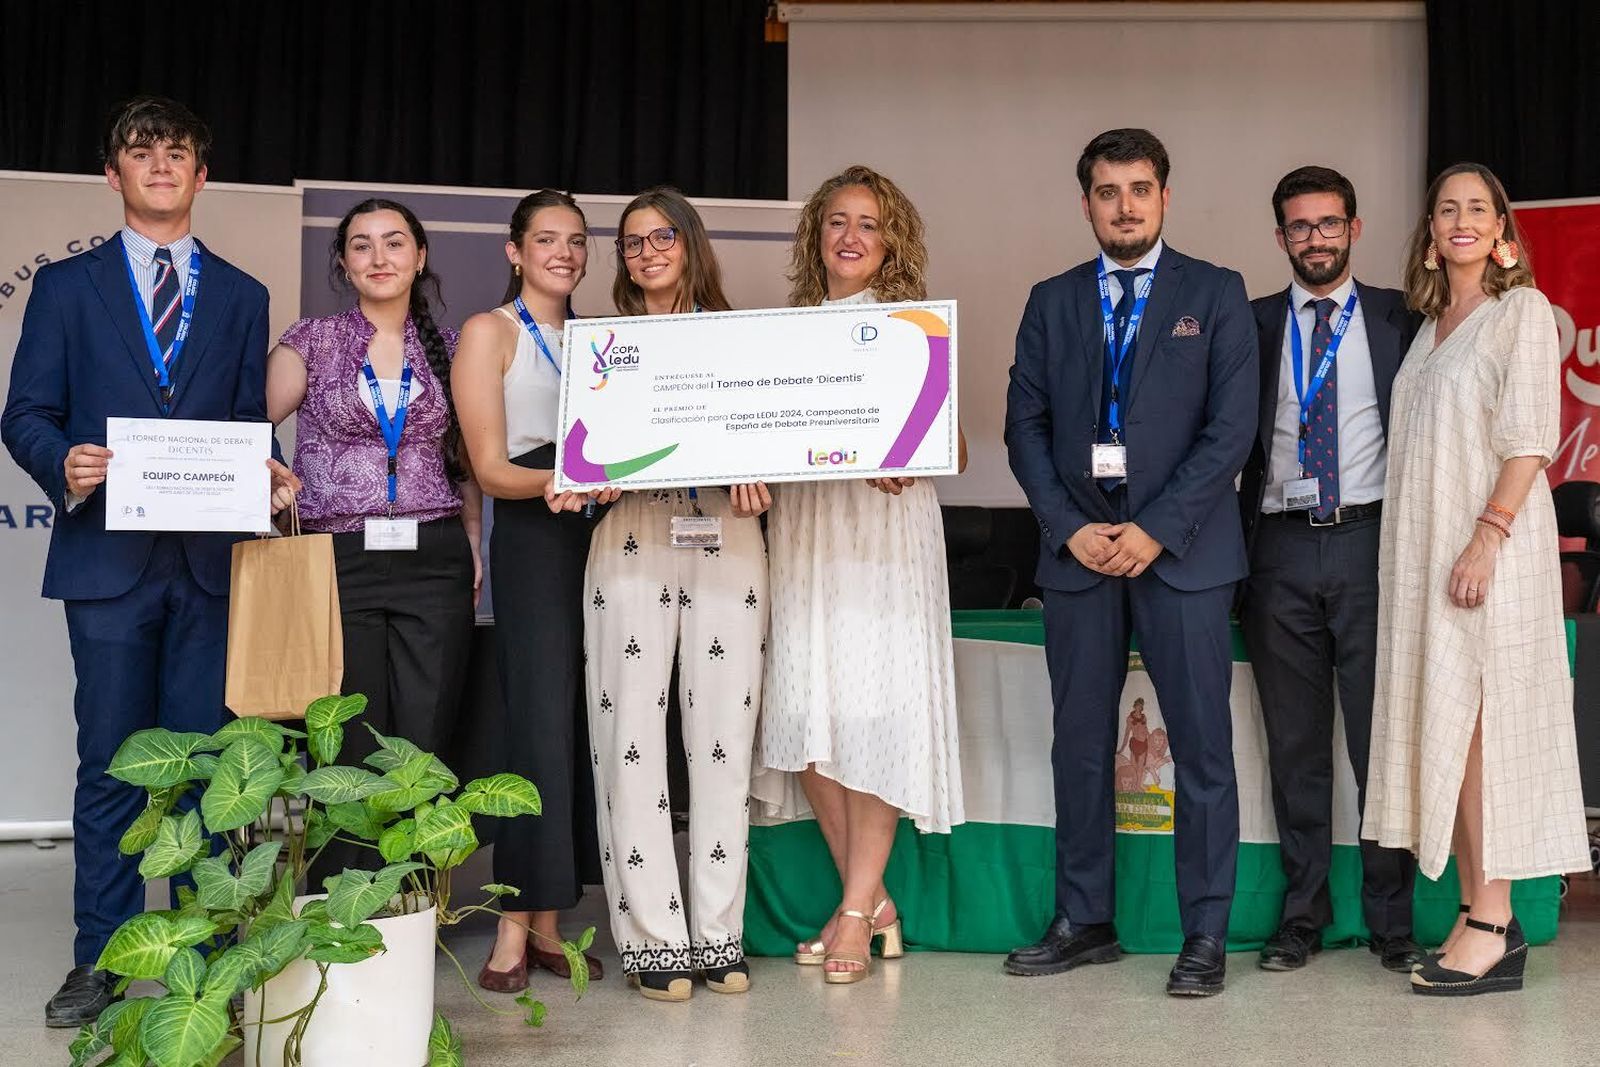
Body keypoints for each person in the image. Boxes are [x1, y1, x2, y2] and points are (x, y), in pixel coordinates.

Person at [1, 96, 297, 1028]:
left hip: (212, 567)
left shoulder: (245, 296)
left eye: (178, 152)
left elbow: (246, 424)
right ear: (113, 175)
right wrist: (64, 462)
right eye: (141, 150)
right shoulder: (65, 289)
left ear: (202, 177)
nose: (161, 163)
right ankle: (101, 956)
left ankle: (206, 950)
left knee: (211, 766)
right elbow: (26, 416)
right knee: (112, 768)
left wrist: (268, 469)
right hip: (107, 564)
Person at [1003, 128, 1257, 997]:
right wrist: (1069, 526)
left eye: (1139, 189)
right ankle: (1085, 919)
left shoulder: (1216, 294)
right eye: (1107, 192)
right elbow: (1024, 428)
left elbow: (1232, 429)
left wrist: (1154, 527)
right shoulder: (1051, 299)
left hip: (1182, 554)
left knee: (1202, 748)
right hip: (1078, 556)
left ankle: (1206, 933)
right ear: (1086, 204)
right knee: (1078, 744)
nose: (1124, 205)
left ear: (1165, 197)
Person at [1364, 163, 1591, 996]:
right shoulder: (1429, 330)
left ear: (1502, 233)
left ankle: (1494, 922)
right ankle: (1474, 910)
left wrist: (1486, 540)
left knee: (1479, 738)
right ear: (1431, 233)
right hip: (1430, 561)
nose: (1461, 221)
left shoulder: (1519, 313)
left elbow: (1530, 438)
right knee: (1451, 739)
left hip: (1485, 557)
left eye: (1478, 210)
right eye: (1446, 209)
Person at [752, 164, 966, 986]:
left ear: (892, 241)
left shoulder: (914, 326)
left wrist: (913, 462)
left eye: (868, 224)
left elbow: (957, 446)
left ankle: (851, 913)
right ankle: (871, 903)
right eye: (836, 221)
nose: (850, 236)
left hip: (882, 529)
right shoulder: (785, 328)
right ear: (816, 236)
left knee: (872, 713)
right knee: (809, 718)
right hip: (807, 529)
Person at [580, 188, 769, 1002]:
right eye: (631, 243)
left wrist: (767, 476)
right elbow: (583, 454)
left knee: (724, 743)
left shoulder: (747, 340)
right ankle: (655, 941)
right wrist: (582, 477)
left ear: (691, 243)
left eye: (662, 237)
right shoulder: (601, 351)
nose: (648, 252)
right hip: (630, 532)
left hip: (729, 531)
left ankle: (719, 934)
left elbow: (779, 439)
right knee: (630, 739)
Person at [1236, 166, 1424, 974]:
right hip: (1276, 548)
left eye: (1328, 222)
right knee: (1296, 745)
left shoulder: (1401, 318)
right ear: (1280, 237)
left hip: (1371, 542)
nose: (1315, 237)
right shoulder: (1248, 325)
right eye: (1299, 225)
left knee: (1381, 741)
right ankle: (1303, 911)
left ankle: (1391, 917)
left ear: (1355, 226)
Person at [267, 198, 480, 876]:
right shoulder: (312, 340)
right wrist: (263, 476)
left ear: (419, 257)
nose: (379, 257)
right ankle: (345, 901)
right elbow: (242, 426)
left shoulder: (449, 347)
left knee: (425, 731)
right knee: (348, 735)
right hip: (338, 555)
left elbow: (468, 456)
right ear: (343, 262)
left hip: (434, 550)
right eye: (362, 245)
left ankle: (413, 902)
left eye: (394, 243)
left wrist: (472, 536)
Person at [453, 190, 609, 991]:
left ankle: (553, 922)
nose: (564, 252)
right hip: (534, 529)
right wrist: (559, 481)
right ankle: (513, 923)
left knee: (586, 720)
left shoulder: (601, 339)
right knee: (536, 720)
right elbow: (486, 466)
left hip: (603, 533)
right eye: (546, 239)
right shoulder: (491, 332)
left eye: (577, 240)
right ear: (515, 250)